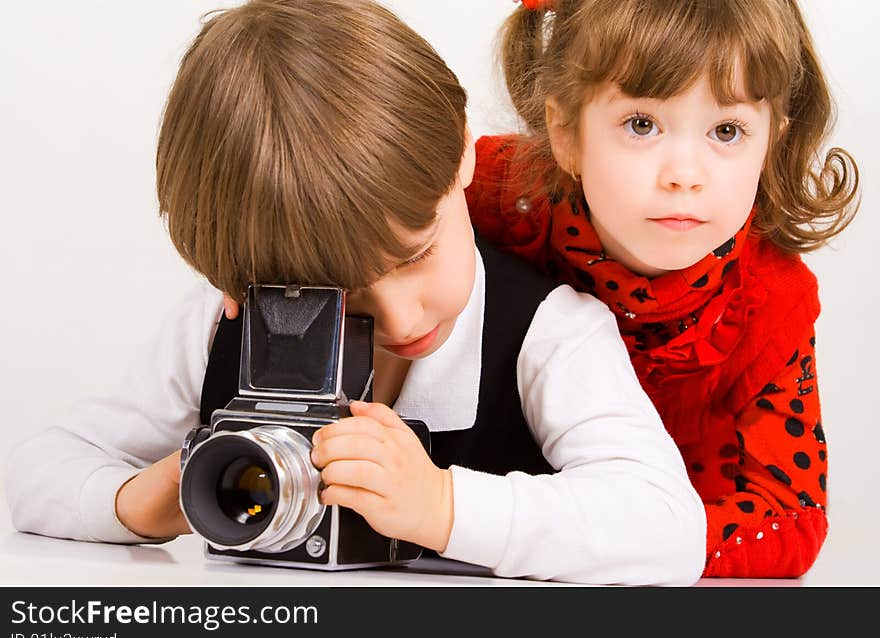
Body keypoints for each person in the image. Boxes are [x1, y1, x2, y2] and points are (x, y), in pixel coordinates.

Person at [4, 0, 705, 586]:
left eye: (418, 253)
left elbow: (668, 525)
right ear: (236, 287)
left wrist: (441, 505)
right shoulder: (223, 327)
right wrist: (149, 498)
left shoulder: (546, 333)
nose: (401, 317)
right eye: (331, 296)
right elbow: (41, 471)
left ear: (463, 152)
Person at [465, 0, 860, 577]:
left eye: (727, 130)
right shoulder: (500, 194)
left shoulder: (770, 299)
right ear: (565, 133)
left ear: (771, 140)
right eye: (642, 124)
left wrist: (635, 539)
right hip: (485, 534)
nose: (684, 173)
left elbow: (792, 515)